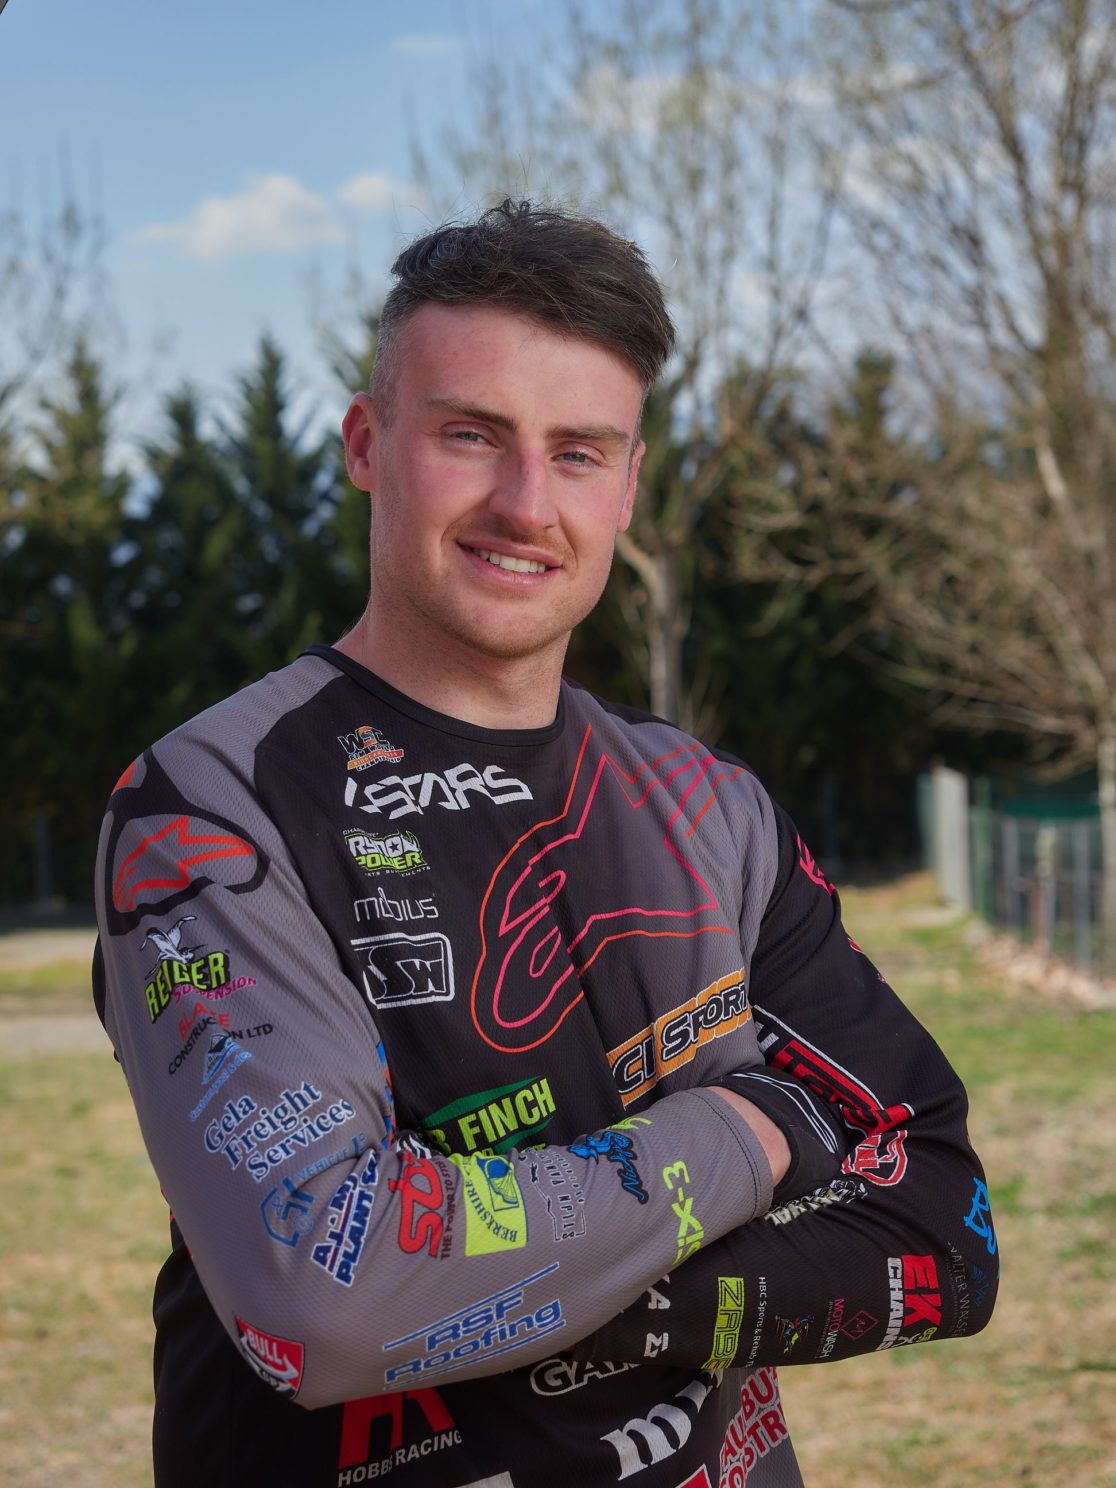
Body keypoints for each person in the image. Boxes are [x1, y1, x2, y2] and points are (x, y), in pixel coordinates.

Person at [93, 200, 998, 1488]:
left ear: (628, 485)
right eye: (472, 435)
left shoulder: (709, 804)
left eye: (579, 452)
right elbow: (330, 1295)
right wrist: (750, 1131)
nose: (527, 504)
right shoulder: (209, 802)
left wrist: (523, 1291)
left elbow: (944, 1226)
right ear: (367, 444)